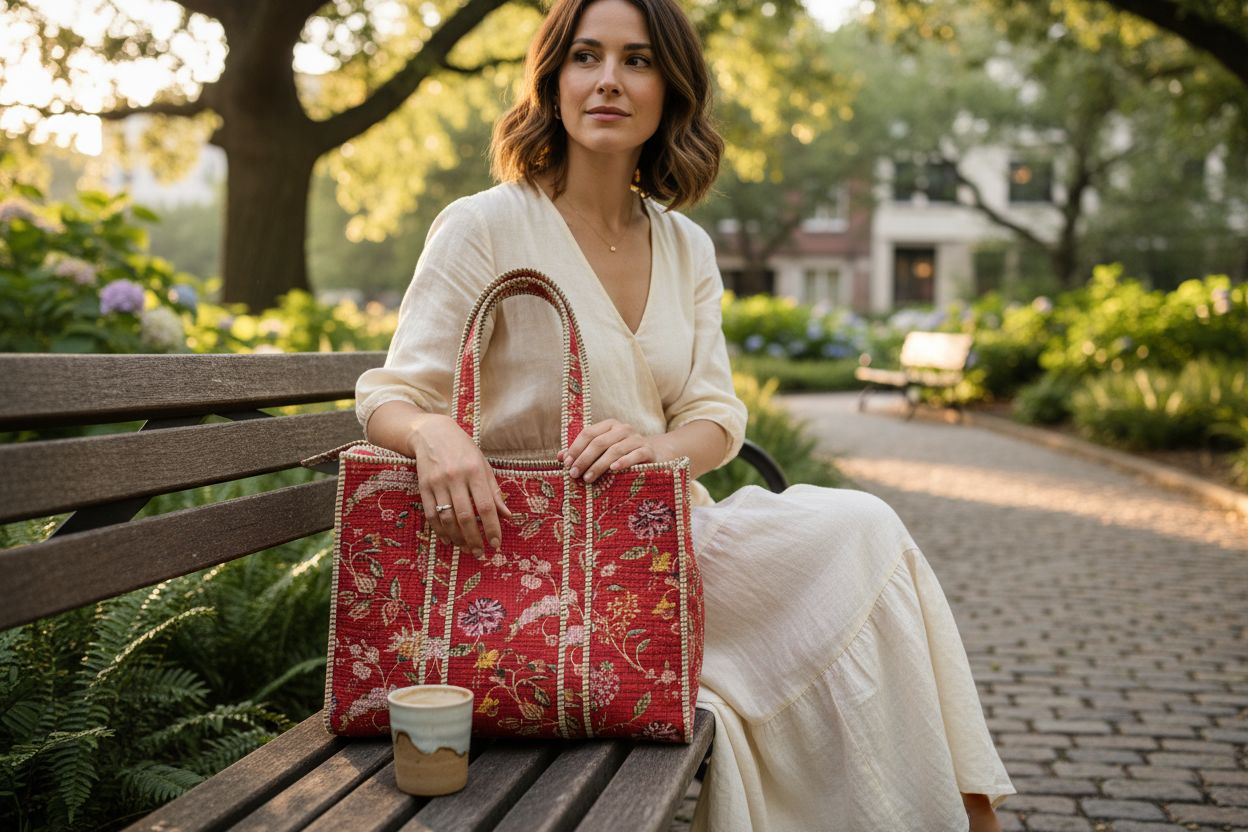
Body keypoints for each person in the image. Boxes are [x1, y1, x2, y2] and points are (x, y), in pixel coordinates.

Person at [355, 0, 1016, 828]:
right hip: (532, 564)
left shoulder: (684, 244)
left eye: (636, 61)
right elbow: (390, 395)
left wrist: (656, 449)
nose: (608, 80)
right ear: (551, 78)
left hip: (664, 543)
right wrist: (436, 434)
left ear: (670, 88)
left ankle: (960, 812)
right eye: (586, 56)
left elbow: (714, 414)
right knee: (863, 548)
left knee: (868, 534)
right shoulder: (485, 226)